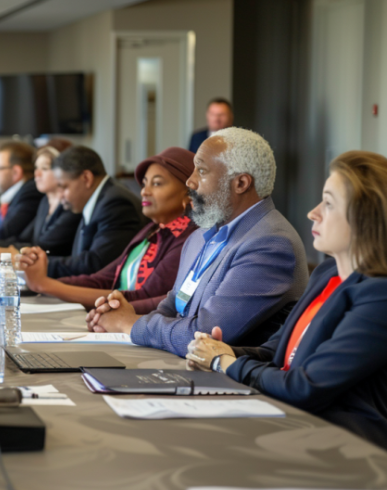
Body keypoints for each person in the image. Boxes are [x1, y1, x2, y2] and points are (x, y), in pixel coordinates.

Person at [186, 151, 387, 449]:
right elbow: (276, 353)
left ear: (365, 218)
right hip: (289, 420)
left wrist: (222, 362)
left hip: (346, 445)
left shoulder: (378, 295)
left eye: (329, 204)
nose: (313, 212)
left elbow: (305, 386)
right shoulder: (326, 274)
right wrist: (222, 350)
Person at [88, 127, 309, 357]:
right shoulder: (201, 236)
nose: (190, 181)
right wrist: (117, 315)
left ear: (241, 183)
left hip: (229, 384)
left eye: (201, 171)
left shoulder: (270, 245)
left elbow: (204, 335)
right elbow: (172, 305)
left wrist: (129, 324)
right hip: (177, 364)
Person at [20, 147, 197, 313]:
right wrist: (42, 283)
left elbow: (145, 297)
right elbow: (103, 279)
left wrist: (45, 285)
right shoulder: (151, 230)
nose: (144, 191)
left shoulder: (189, 238)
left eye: (157, 184)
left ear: (188, 193)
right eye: (144, 183)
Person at [26, 145, 144, 278]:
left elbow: (96, 264)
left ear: (86, 178)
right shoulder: (94, 200)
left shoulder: (116, 203)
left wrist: (40, 265)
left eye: (64, 187)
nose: (60, 195)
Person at [0, 139, 81, 265]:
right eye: (36, 168)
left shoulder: (71, 204)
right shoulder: (44, 202)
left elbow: (45, 246)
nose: (36, 174)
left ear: (61, 171)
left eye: (44, 168)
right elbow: (26, 239)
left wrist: (10, 254)